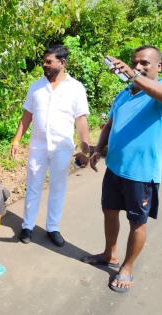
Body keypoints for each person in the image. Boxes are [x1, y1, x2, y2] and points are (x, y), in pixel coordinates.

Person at [83, 45, 162, 293]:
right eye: (134, 62)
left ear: (159, 67)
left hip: (141, 174)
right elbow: (110, 124)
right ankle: (110, 253)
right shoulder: (124, 93)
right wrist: (98, 149)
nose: (138, 66)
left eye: (145, 63)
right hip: (115, 168)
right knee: (109, 211)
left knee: (137, 223)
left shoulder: (156, 94)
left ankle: (127, 268)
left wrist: (131, 74)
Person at [11, 45, 90, 247]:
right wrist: (17, 139)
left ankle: (52, 228)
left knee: (58, 187)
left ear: (62, 63)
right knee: (33, 187)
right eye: (44, 61)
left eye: (49, 61)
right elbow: (27, 115)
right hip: (38, 147)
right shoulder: (35, 87)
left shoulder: (76, 88)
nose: (44, 65)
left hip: (62, 147)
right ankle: (27, 226)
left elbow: (80, 120)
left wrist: (85, 148)